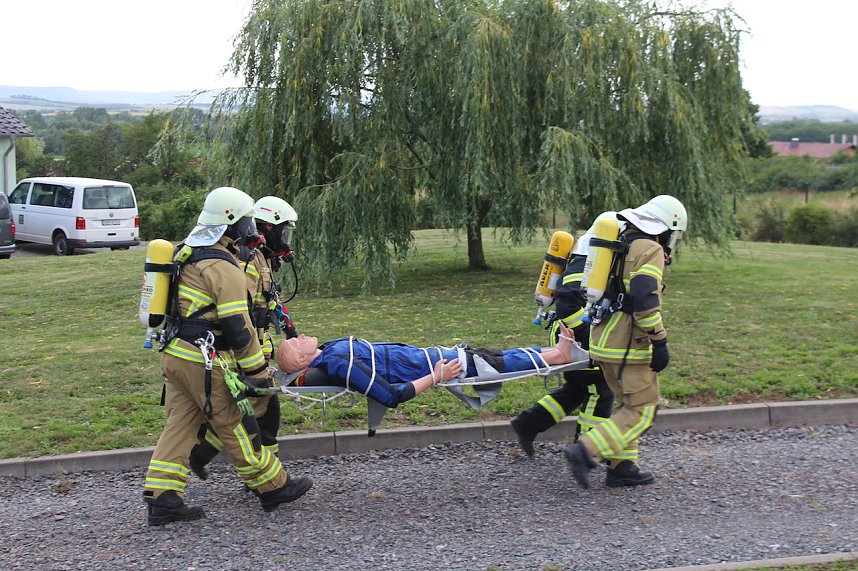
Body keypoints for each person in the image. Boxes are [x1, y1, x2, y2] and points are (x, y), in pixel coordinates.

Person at [142, 186, 312, 526]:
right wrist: (258, 371)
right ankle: (273, 487)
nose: (251, 228)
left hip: (175, 354)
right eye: (247, 220)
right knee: (235, 421)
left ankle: (163, 498)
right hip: (201, 358)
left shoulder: (187, 253)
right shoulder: (224, 266)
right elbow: (238, 327)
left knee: (182, 424)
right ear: (231, 222)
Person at [564, 195, 687, 489]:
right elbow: (645, 299)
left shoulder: (619, 243)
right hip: (629, 346)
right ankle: (586, 452)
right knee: (643, 409)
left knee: (625, 405)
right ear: (665, 228)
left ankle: (623, 467)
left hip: (603, 341)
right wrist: (659, 341)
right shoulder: (650, 249)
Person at [188, 196, 299, 480]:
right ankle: (268, 477)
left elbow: (269, 300)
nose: (284, 238)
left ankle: (202, 454)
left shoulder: (262, 259)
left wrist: (291, 332)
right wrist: (251, 362)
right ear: (267, 227)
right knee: (256, 413)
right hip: (242, 353)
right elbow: (240, 313)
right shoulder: (247, 260)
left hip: (255, 349)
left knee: (251, 412)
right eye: (282, 230)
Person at [510, 213, 621, 457]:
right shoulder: (587, 261)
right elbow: (568, 302)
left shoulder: (587, 257)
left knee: (578, 388)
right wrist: (589, 337)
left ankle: (528, 424)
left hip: (567, 336)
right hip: (576, 337)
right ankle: (585, 450)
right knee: (600, 389)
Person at [275, 323, 579, 408]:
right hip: (437, 364)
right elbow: (390, 397)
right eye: (295, 342)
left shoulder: (328, 350)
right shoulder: (340, 363)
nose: (299, 336)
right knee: (494, 363)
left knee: (492, 356)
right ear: (302, 359)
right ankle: (559, 356)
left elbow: (289, 330)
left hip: (432, 355)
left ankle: (555, 352)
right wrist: (437, 377)